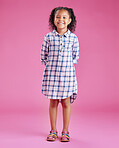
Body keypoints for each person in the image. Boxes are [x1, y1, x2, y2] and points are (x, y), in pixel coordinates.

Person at [41, 6, 79, 142]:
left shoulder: (73, 38)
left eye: (64, 17)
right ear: (53, 19)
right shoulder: (48, 37)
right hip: (52, 75)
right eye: (58, 17)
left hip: (67, 75)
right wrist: (52, 66)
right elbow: (43, 55)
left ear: (69, 20)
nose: (60, 19)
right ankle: (53, 130)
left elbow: (75, 57)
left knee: (66, 103)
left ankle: (65, 131)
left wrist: (65, 67)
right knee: (53, 102)